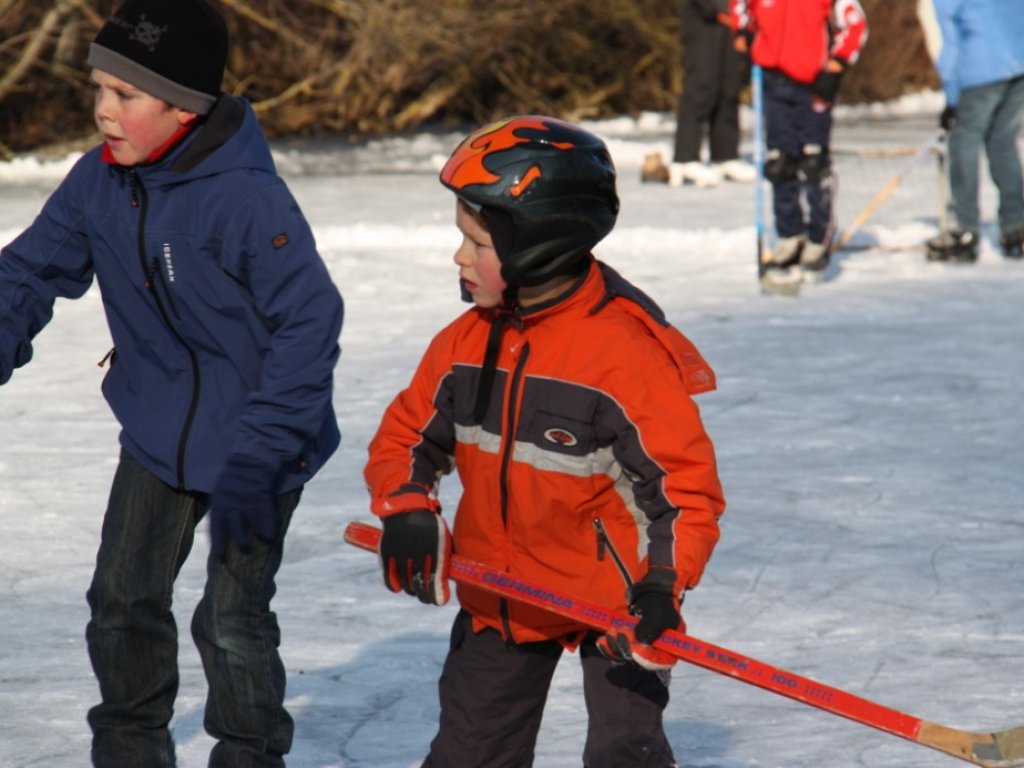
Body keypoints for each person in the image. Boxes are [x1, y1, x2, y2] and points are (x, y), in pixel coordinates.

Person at [0, 0, 344, 765]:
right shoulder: (98, 182)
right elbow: (26, 273)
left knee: (230, 619)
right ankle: (129, 750)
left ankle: (250, 751)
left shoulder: (245, 199)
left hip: (260, 440)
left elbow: (310, 322)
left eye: (126, 96)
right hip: (158, 432)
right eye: (98, 89)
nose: (102, 111)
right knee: (121, 605)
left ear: (185, 108)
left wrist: (265, 449)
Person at [364, 115, 725, 767]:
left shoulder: (624, 358)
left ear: (540, 244)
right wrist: (408, 505)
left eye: (475, 243)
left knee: (624, 752)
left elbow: (682, 495)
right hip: (502, 591)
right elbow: (406, 437)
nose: (458, 258)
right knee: (469, 753)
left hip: (620, 603)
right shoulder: (465, 345)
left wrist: (660, 591)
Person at [731, 0, 868, 282]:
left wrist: (836, 65)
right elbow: (741, 8)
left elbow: (856, 25)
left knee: (814, 163)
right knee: (780, 162)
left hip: (815, 81)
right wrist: (743, 33)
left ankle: (819, 238)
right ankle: (789, 235)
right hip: (772, 79)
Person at [917, 0, 1024, 263]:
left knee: (963, 142)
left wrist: (951, 100)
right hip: (1019, 67)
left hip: (981, 72)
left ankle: (964, 229)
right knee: (1002, 142)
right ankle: (1016, 227)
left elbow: (947, 45)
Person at [671, 0, 756, 188]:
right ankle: (685, 159)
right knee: (701, 86)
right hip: (702, 22)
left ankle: (725, 156)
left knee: (729, 88)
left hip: (733, 21)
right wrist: (716, 10)